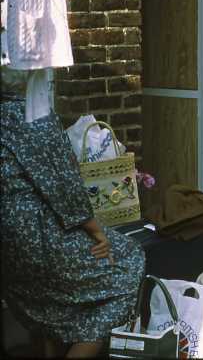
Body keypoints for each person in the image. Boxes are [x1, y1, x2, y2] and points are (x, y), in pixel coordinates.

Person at [0, 67, 144, 358]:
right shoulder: (34, 116)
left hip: (8, 248)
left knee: (51, 301)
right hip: (39, 238)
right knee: (130, 262)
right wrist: (97, 232)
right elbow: (65, 189)